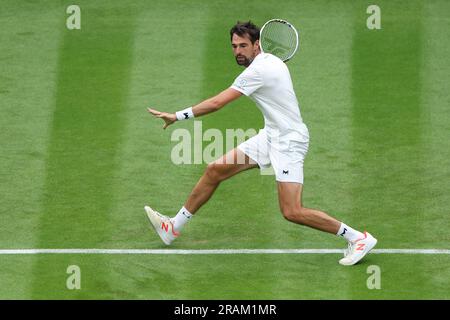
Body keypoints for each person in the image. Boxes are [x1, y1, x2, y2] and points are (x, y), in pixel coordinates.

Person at [146, 21, 377, 266]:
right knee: (215, 169)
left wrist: (177, 116)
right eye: (234, 46)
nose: (238, 51)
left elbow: (216, 104)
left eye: (243, 45)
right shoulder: (269, 62)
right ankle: (173, 227)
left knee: (292, 211)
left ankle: (357, 238)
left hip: (288, 142)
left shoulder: (258, 72)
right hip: (271, 136)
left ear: (257, 45)